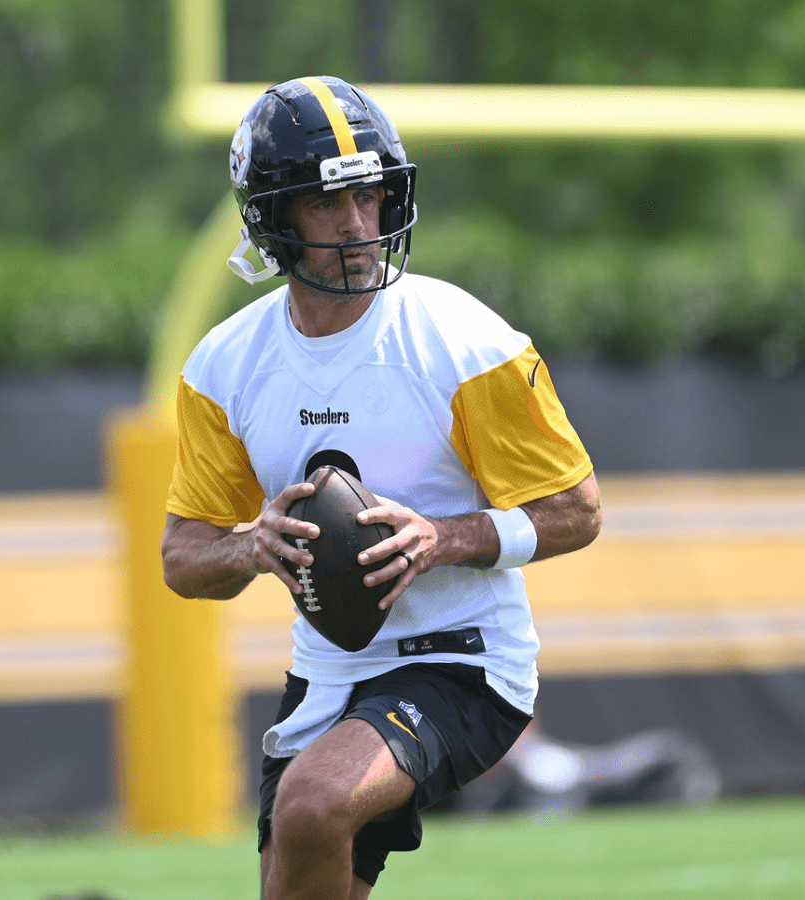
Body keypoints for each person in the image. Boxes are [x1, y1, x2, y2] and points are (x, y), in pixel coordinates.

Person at [160, 75, 602, 900]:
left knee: (313, 803)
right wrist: (251, 547)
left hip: (464, 660)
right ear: (273, 217)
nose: (360, 227)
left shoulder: (460, 338)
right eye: (330, 206)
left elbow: (577, 511)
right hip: (327, 673)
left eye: (371, 195)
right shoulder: (224, 366)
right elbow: (182, 559)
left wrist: (445, 538)